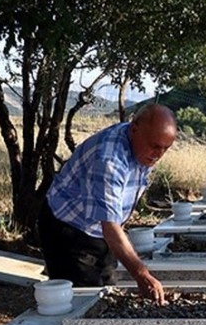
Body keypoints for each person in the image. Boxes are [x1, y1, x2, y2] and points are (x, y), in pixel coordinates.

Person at [39, 104, 176, 304]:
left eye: (165, 148)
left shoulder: (142, 145)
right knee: (83, 300)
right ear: (134, 129)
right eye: (155, 146)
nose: (159, 154)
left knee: (108, 289)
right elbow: (110, 227)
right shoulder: (109, 159)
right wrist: (142, 274)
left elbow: (113, 222)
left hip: (99, 228)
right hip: (68, 227)